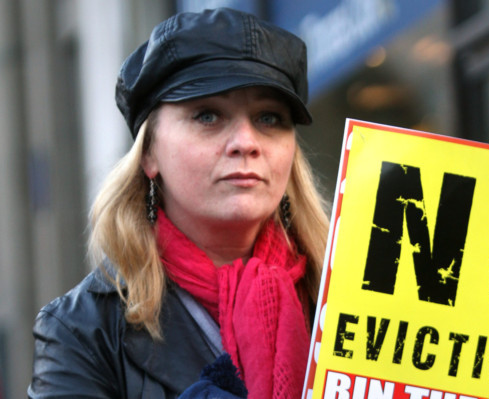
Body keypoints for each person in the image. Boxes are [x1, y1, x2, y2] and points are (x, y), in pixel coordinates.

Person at [27, 7, 329, 399]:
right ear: (149, 153)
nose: (246, 142)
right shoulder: (80, 332)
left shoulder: (347, 300)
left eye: (269, 118)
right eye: (208, 116)